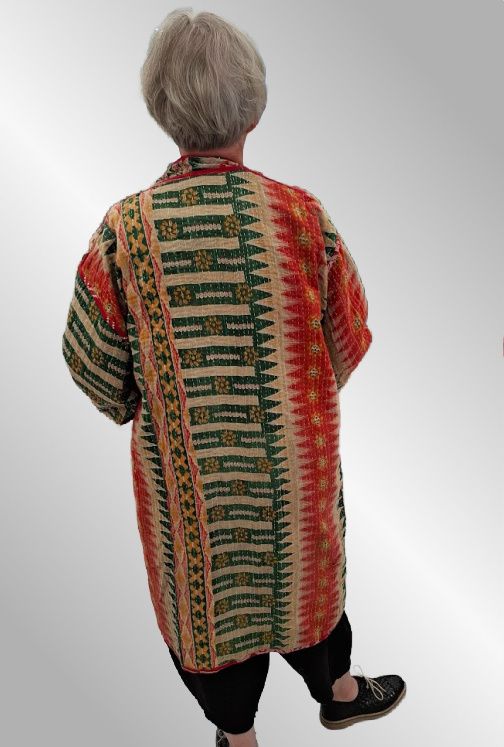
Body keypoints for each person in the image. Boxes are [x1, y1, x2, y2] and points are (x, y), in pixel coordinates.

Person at [61, 8, 406, 747]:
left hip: (194, 498)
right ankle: (339, 691)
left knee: (210, 615)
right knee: (310, 592)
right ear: (255, 105)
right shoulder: (303, 218)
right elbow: (348, 338)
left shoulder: (124, 232)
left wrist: (157, 396)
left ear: (161, 108)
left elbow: (94, 368)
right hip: (296, 478)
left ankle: (238, 736)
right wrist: (292, 391)